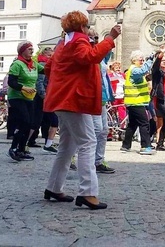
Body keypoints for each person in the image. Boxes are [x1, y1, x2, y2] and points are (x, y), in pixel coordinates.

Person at [44, 12, 121, 210]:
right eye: (86, 27)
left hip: (62, 100)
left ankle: (54, 187)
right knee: (88, 142)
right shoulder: (79, 41)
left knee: (67, 146)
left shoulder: (63, 44)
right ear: (82, 27)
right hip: (73, 100)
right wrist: (110, 38)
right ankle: (87, 192)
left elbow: (49, 68)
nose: (88, 30)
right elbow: (92, 57)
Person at [5, 42, 39, 161]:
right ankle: (13, 148)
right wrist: (24, 87)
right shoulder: (17, 64)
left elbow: (47, 69)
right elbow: (11, 82)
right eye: (29, 49)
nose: (32, 51)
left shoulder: (34, 64)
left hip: (29, 97)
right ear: (22, 51)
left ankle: (22, 149)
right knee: (24, 121)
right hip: (17, 97)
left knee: (29, 124)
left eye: (32, 49)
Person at [90, 31, 117, 172]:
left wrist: (110, 38)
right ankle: (88, 160)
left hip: (103, 97)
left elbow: (108, 49)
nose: (94, 40)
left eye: (96, 38)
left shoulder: (100, 57)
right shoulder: (89, 55)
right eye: (91, 37)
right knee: (95, 130)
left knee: (104, 130)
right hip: (92, 99)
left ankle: (98, 160)